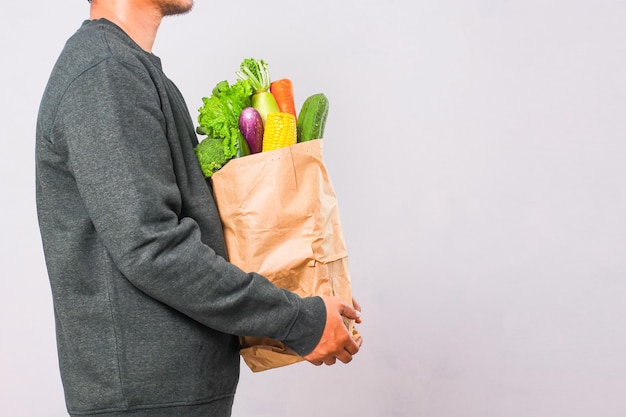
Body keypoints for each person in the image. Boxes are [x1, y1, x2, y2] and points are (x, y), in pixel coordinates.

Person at [35, 1, 362, 416]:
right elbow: (153, 249)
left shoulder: (130, 68)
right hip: (148, 402)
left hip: (168, 395)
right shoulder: (105, 73)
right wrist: (297, 319)